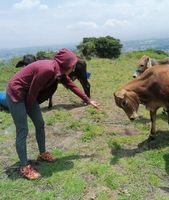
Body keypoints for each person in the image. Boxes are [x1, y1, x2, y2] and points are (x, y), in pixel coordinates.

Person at [6, 48, 99, 180]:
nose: (73, 69)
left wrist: (88, 100)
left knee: (40, 124)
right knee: (23, 130)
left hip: (28, 94)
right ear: (66, 65)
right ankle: (24, 166)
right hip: (16, 93)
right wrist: (26, 109)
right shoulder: (48, 70)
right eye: (72, 65)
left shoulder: (58, 71)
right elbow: (33, 91)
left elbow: (72, 85)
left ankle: (42, 153)